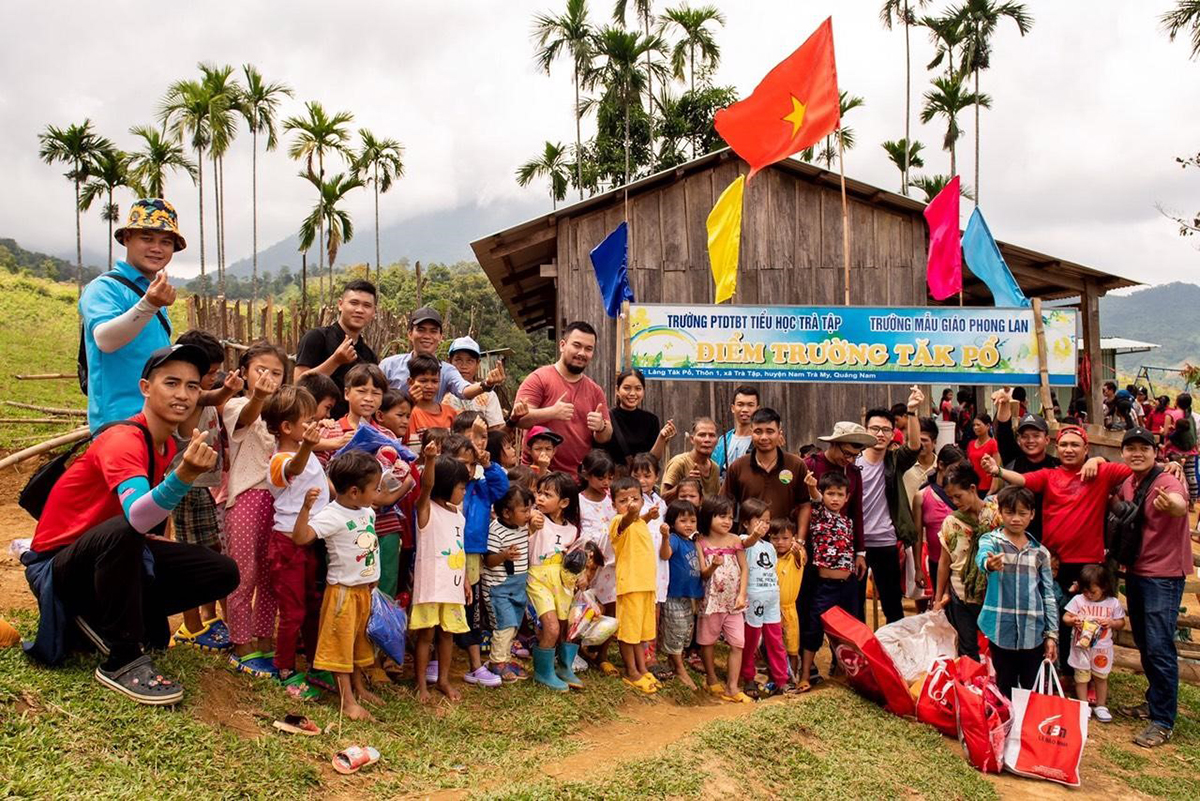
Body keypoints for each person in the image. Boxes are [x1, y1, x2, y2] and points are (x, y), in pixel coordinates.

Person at [23, 344, 237, 704]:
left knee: (222, 571)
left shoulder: (165, 444)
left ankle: (102, 621)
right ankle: (121, 659)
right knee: (127, 531)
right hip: (57, 568)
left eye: (192, 386)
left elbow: (144, 521)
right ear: (145, 388)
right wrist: (183, 476)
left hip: (103, 553)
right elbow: (136, 515)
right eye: (171, 383)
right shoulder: (124, 440)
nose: (183, 395)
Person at [982, 426, 1133, 670]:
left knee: (1089, 619)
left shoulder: (1101, 472)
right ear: (1057, 448)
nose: (1069, 450)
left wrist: (1100, 460)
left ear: (1086, 448)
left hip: (1089, 563)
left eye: (1075, 445)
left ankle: (1087, 673)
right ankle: (1059, 669)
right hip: (1054, 563)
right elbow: (1022, 479)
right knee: (1056, 616)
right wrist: (997, 471)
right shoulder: (1049, 475)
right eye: (1064, 445)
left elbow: (1133, 468)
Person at [1115, 425, 1192, 748]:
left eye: (1143, 448)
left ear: (1155, 451)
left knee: (1160, 646)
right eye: (1130, 448)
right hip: (1137, 571)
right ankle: (1154, 701)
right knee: (1147, 643)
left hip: (1164, 575)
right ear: (1123, 453)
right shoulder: (1128, 483)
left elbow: (1179, 503)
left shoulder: (1168, 480)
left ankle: (1163, 720)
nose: (1136, 453)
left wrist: (1171, 505)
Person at [291, 451, 382, 720]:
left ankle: (359, 688)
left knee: (355, 643)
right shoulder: (331, 515)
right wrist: (305, 509)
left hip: (363, 592)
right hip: (342, 593)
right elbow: (301, 537)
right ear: (354, 491)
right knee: (340, 646)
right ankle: (347, 700)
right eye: (374, 488)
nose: (377, 493)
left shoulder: (367, 511)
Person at [80, 199, 182, 431]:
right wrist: (148, 305)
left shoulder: (152, 292)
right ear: (127, 239)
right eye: (147, 238)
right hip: (120, 424)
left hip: (155, 420)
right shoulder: (104, 288)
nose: (157, 248)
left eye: (165, 242)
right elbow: (105, 340)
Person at [167, 329, 241, 652]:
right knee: (192, 557)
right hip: (188, 489)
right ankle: (192, 626)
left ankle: (204, 621)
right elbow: (209, 398)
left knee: (208, 553)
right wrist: (227, 389)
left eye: (213, 373)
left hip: (203, 489)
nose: (213, 378)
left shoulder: (203, 395)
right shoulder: (191, 397)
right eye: (208, 372)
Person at [221, 341, 288, 675]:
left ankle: (264, 639)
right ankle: (241, 643)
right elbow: (247, 418)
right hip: (247, 497)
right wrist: (259, 396)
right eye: (261, 370)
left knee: (269, 573)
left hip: (279, 501)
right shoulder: (236, 404)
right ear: (244, 372)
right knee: (243, 572)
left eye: (276, 373)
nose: (268, 378)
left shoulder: (283, 414)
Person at [262, 386, 328, 693]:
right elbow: (293, 468)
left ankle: (317, 663)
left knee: (313, 605)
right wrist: (308, 448)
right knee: (293, 610)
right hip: (287, 547)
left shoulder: (311, 456)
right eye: (308, 422)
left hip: (310, 543)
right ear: (287, 427)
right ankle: (284, 666)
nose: (314, 427)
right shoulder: (280, 459)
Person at [974, 486, 1059, 699]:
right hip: (1000, 629)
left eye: (1022, 513)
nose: (1016, 519)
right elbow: (982, 558)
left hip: (1033, 631)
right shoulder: (992, 541)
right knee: (1005, 684)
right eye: (1010, 512)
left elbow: (1048, 594)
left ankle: (1026, 729)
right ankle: (1007, 727)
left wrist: (1052, 635)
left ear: (1032, 514)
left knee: (1031, 686)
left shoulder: (1040, 553)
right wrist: (989, 563)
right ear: (1000, 512)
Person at [445, 433, 509, 689]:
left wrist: (489, 465)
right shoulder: (442, 490)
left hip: (472, 554)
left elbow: (501, 488)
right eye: (462, 463)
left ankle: (474, 664)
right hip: (446, 554)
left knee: (471, 609)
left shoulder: (481, 488)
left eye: (472, 464)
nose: (468, 469)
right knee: (446, 607)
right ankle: (439, 661)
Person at [856, 389, 923, 625]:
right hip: (857, 544)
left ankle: (895, 654)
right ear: (865, 430)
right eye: (875, 429)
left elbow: (914, 446)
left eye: (886, 430)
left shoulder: (894, 461)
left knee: (893, 604)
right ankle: (853, 659)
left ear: (892, 433)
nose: (880, 434)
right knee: (854, 605)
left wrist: (912, 411)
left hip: (885, 542)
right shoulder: (852, 462)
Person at [410, 444, 471, 704]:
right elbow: (426, 486)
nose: (464, 491)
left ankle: (443, 679)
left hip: (453, 586)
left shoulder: (458, 515)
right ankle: (421, 684)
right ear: (446, 485)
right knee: (426, 635)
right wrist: (431, 460)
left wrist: (466, 579)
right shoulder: (426, 510)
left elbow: (461, 549)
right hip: (431, 587)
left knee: (448, 635)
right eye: (461, 486)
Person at [514, 321, 612, 473]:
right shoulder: (538, 379)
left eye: (588, 349)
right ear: (562, 345)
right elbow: (518, 419)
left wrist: (601, 427)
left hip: (578, 478)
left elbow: (606, 436)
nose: (582, 353)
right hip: (538, 476)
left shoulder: (595, 390)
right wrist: (552, 412)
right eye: (577, 345)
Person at [798, 470, 864, 692]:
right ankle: (805, 674)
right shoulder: (818, 514)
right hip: (825, 586)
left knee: (848, 631)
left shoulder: (848, 521)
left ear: (847, 497)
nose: (834, 498)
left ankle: (844, 674)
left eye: (840, 494)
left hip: (849, 585)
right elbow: (814, 497)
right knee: (814, 628)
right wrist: (811, 486)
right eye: (830, 494)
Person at [934, 463, 999, 660]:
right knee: (967, 647)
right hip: (960, 593)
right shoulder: (951, 522)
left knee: (995, 646)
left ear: (972, 489)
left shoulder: (997, 516)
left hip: (992, 594)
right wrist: (938, 598)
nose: (955, 502)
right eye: (950, 497)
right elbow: (945, 562)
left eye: (958, 496)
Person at [379, 307, 505, 403]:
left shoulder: (447, 370)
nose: (427, 336)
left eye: (433, 331)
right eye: (421, 330)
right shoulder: (388, 366)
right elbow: (373, 395)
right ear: (410, 334)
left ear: (440, 337)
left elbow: (464, 391)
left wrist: (486, 384)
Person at [293, 280, 379, 419]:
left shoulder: (369, 355)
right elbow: (298, 383)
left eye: (367, 306)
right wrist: (335, 360)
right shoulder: (316, 337)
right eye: (354, 303)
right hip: (316, 425)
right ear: (340, 304)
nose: (359, 310)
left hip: (353, 429)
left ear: (373, 312)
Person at [527, 472, 580, 691]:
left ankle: (564, 667)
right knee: (551, 627)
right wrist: (531, 519)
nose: (540, 498)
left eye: (547, 495)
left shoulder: (572, 530)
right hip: (538, 580)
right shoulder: (536, 519)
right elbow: (528, 525)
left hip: (563, 582)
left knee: (568, 627)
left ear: (564, 502)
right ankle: (543, 671)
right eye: (539, 493)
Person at [695, 495, 750, 703]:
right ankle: (711, 678)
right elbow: (703, 573)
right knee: (707, 641)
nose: (727, 521)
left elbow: (744, 569)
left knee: (738, 643)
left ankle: (732, 687)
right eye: (721, 516)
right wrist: (714, 565)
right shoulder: (701, 542)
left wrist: (742, 594)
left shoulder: (735, 540)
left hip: (734, 603)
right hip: (711, 602)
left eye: (729, 517)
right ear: (708, 517)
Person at [721, 408, 811, 532]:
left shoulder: (796, 465)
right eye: (758, 432)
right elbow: (724, 505)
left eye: (770, 431)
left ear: (779, 433)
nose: (764, 437)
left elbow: (804, 505)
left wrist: (800, 540)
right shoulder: (738, 466)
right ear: (751, 433)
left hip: (785, 542)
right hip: (749, 543)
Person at [610, 476, 659, 694]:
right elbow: (626, 523)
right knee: (628, 633)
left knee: (640, 633)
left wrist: (648, 515)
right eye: (623, 500)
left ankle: (641, 667)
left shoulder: (639, 521)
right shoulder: (617, 522)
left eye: (635, 498)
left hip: (646, 584)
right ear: (614, 505)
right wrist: (631, 512)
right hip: (630, 585)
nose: (630, 503)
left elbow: (637, 522)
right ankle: (631, 671)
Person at [737, 499, 790, 698]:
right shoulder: (743, 539)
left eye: (767, 521)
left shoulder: (769, 547)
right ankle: (748, 676)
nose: (764, 525)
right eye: (759, 520)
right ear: (745, 523)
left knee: (775, 640)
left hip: (772, 598)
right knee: (751, 640)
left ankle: (781, 679)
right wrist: (754, 534)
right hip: (754, 598)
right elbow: (746, 543)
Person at [990, 389, 1059, 541]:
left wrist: (1098, 459)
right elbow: (1003, 433)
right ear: (1019, 440)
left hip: (1049, 536)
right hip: (1016, 536)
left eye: (1036, 436)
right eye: (1025, 437)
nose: (1030, 441)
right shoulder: (1013, 459)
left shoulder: (1056, 465)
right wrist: (1004, 404)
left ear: (1047, 440)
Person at [484, 485, 534, 682]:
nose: (528, 514)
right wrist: (504, 555)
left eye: (529, 509)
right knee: (504, 625)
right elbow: (488, 560)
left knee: (513, 626)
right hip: (499, 588)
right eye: (524, 510)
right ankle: (496, 662)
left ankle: (505, 658)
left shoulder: (522, 527)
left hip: (518, 586)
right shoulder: (496, 531)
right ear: (506, 513)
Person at [1062, 564, 1125, 722]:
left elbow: (1121, 622)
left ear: (1104, 587)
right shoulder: (1078, 601)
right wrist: (1073, 620)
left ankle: (1101, 705)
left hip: (1102, 649)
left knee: (1101, 676)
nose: (1089, 595)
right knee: (1081, 676)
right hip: (1081, 648)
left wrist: (1111, 622)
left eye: (1093, 592)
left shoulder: (1113, 603)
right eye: (1085, 591)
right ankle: (1083, 705)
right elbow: (1065, 618)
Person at [912, 446, 966, 609]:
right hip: (937, 563)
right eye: (953, 468)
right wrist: (917, 568)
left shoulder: (964, 494)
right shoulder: (922, 496)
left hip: (961, 564)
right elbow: (917, 535)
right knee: (940, 605)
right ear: (941, 465)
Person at [659, 499, 703, 690]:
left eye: (692, 521)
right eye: (683, 521)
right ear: (673, 522)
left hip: (689, 596)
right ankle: (678, 667)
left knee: (685, 631)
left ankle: (673, 662)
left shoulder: (693, 542)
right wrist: (665, 537)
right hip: (674, 594)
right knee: (676, 630)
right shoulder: (676, 540)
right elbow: (666, 554)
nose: (688, 525)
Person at [603, 368, 676, 469]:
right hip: (613, 481)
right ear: (617, 390)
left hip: (641, 481)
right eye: (627, 388)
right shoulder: (607, 418)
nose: (632, 393)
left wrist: (662, 437)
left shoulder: (651, 420)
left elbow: (653, 459)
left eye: (638, 389)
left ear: (643, 391)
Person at [444, 336, 506, 430]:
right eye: (458, 360)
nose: (464, 366)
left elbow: (495, 430)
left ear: (478, 364)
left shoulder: (488, 395)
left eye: (470, 361)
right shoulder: (441, 390)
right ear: (449, 361)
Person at [771, 518, 804, 681]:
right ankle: (776, 675)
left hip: (788, 609)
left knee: (792, 646)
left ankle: (793, 677)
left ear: (793, 538)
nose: (780, 542)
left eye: (785, 538)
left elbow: (800, 554)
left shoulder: (795, 556)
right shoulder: (768, 556)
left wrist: (797, 546)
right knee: (774, 645)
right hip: (770, 609)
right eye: (775, 538)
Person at [405, 355, 458, 448]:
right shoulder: (409, 414)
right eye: (423, 381)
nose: (429, 386)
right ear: (410, 382)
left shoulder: (450, 412)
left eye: (434, 381)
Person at [662, 417, 721, 500]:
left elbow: (715, 500)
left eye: (712, 435)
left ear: (717, 440)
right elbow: (663, 498)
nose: (707, 440)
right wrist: (685, 484)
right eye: (702, 435)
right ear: (692, 439)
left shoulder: (715, 468)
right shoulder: (679, 462)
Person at [712, 386, 759, 478]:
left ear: (757, 408)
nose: (745, 410)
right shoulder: (722, 441)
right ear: (733, 408)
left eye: (750, 405)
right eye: (740, 404)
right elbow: (713, 472)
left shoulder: (761, 441)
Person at [966, 413, 999, 496]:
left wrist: (992, 490)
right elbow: (968, 466)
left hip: (987, 488)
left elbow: (997, 468)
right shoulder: (971, 444)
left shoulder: (993, 443)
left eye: (978, 425)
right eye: (974, 425)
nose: (975, 428)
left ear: (988, 426)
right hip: (973, 487)